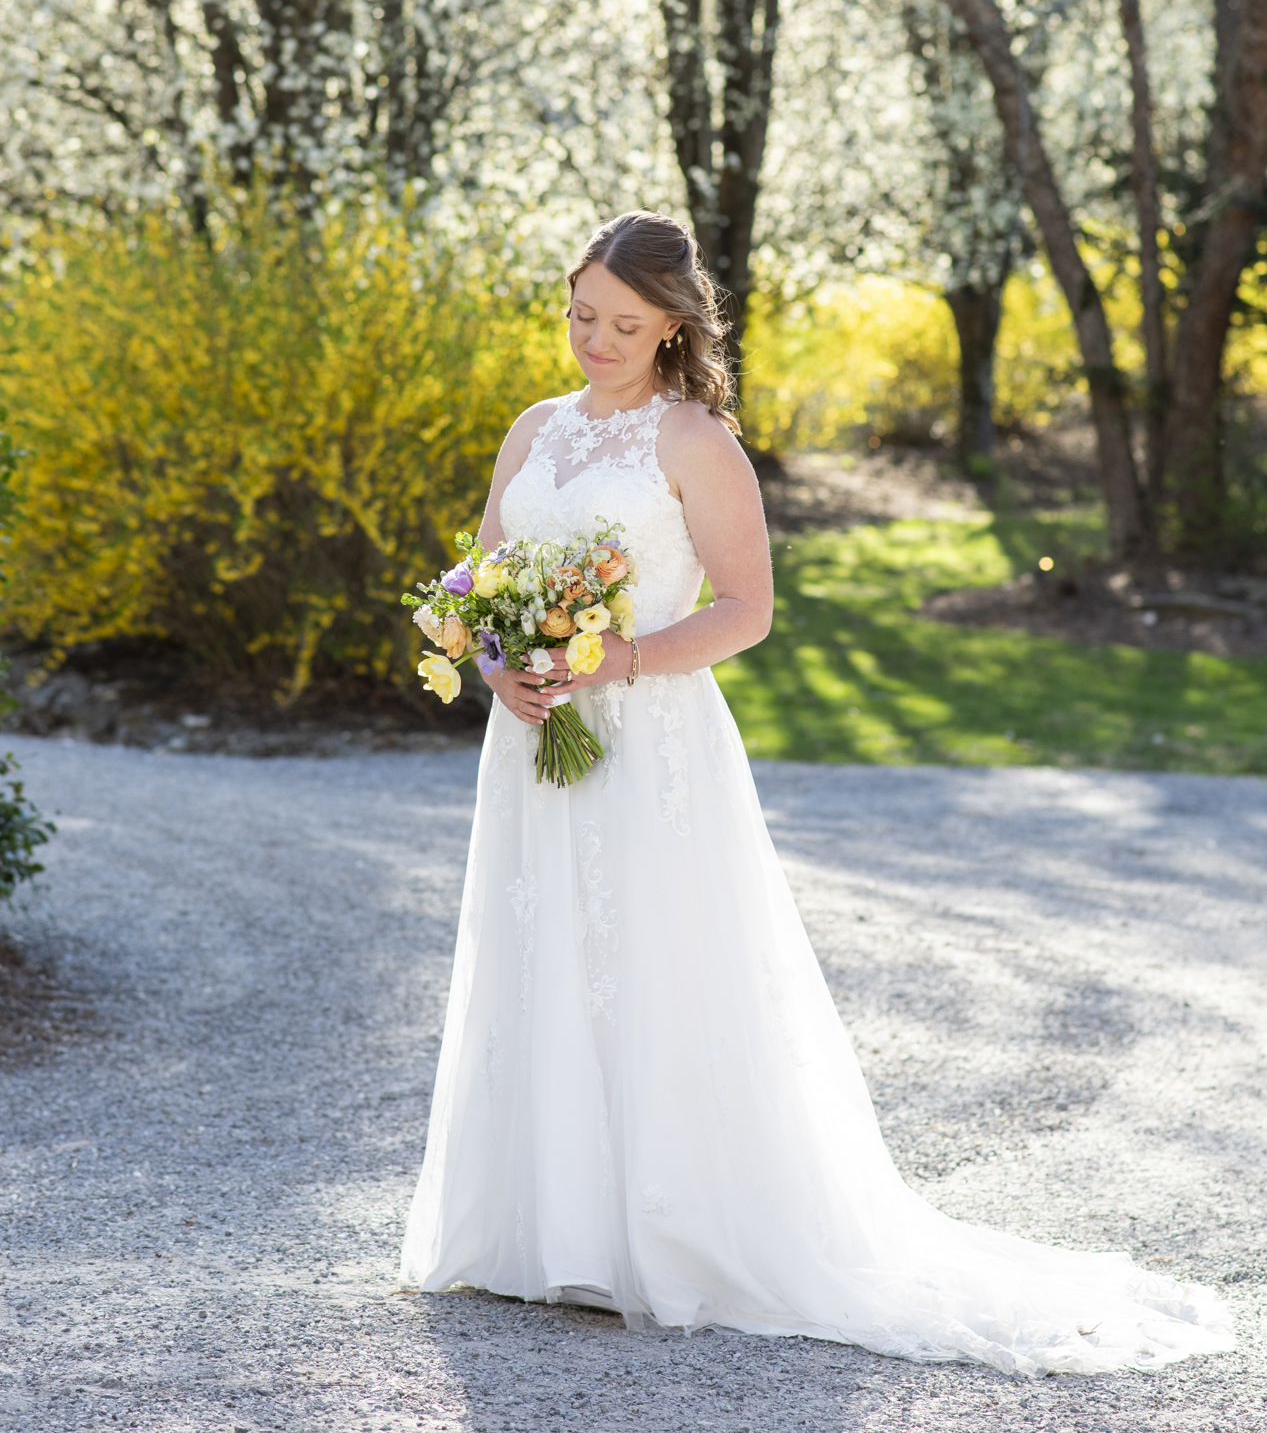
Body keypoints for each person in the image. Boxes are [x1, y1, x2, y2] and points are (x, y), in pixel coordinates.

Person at [400, 210, 1233, 1376]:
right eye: (581, 314)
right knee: (541, 952)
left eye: (622, 323)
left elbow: (747, 608)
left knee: (646, 961)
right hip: (534, 745)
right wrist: (498, 664)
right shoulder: (533, 432)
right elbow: (482, 571)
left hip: (651, 742)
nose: (594, 338)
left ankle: (656, 1233)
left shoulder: (696, 443)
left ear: (674, 325)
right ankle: (539, 1230)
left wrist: (609, 660)